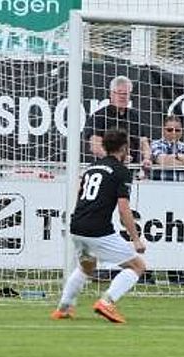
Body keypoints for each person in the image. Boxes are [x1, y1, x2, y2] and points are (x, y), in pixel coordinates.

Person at [51, 129, 148, 324]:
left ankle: (64, 307)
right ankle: (107, 302)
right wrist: (136, 239)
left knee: (86, 266)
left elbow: (80, 194)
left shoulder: (92, 167)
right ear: (124, 148)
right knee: (137, 266)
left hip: (77, 226)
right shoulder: (121, 171)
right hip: (98, 229)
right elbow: (123, 209)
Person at [82, 75, 150, 166]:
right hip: (105, 166)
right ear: (111, 94)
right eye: (119, 93)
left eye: (125, 93)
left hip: (132, 167)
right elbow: (95, 147)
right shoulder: (99, 116)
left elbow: (144, 142)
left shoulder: (134, 116)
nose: (122, 97)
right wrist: (117, 160)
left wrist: (146, 159)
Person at [148, 115, 184, 182]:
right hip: (160, 184)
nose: (174, 133)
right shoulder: (155, 144)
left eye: (177, 130)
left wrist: (177, 156)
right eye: (169, 130)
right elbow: (163, 161)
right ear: (163, 130)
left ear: (182, 131)